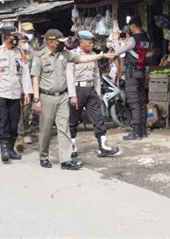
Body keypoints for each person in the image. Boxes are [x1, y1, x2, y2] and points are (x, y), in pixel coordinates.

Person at [31, 29, 115, 169]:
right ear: (51, 43)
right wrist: (36, 99)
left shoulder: (65, 54)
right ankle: (44, 156)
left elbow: (82, 59)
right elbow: (35, 78)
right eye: (60, 42)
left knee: (64, 128)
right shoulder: (39, 56)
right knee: (45, 130)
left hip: (62, 97)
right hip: (47, 97)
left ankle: (66, 160)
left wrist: (101, 56)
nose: (63, 44)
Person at [67, 30, 120, 158]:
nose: (91, 45)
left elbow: (96, 76)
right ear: (81, 42)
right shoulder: (73, 55)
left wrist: (98, 93)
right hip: (78, 89)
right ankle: (71, 146)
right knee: (73, 119)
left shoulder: (93, 55)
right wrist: (72, 94)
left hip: (91, 89)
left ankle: (103, 146)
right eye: (89, 43)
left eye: (92, 43)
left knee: (98, 118)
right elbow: (69, 76)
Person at [0, 26, 33, 163]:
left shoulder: (21, 53)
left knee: (14, 122)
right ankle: (4, 148)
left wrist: (27, 92)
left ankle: (11, 148)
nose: (17, 39)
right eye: (14, 36)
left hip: (15, 93)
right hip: (0, 92)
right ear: (6, 37)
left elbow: (25, 74)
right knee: (2, 120)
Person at [112, 15, 150, 140]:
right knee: (142, 101)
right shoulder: (146, 38)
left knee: (133, 101)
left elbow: (118, 52)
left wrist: (117, 40)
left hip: (132, 73)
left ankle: (136, 132)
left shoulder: (134, 39)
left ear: (133, 26)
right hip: (142, 72)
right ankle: (143, 130)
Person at [15, 32, 36, 151]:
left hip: (27, 87)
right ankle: (19, 135)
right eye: (22, 42)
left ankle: (26, 132)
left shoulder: (30, 53)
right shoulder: (14, 53)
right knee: (17, 112)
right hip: (15, 87)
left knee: (26, 111)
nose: (25, 44)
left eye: (26, 41)